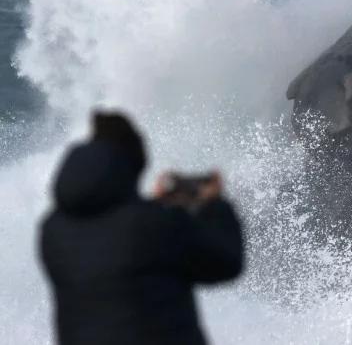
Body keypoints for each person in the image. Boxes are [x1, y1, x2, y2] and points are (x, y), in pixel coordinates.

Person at [39, 110, 244, 345]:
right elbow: (226, 262)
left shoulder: (52, 231)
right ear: (130, 165)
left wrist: (154, 206)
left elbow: (113, 241)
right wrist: (215, 204)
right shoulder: (154, 224)